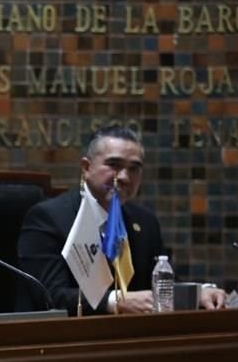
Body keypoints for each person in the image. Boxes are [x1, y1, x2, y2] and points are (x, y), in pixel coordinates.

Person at [18, 125, 227, 315]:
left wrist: (199, 292)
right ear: (86, 168)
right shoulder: (49, 218)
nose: (125, 177)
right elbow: (49, 296)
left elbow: (160, 283)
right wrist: (116, 301)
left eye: (134, 168)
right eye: (114, 165)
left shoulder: (145, 221)